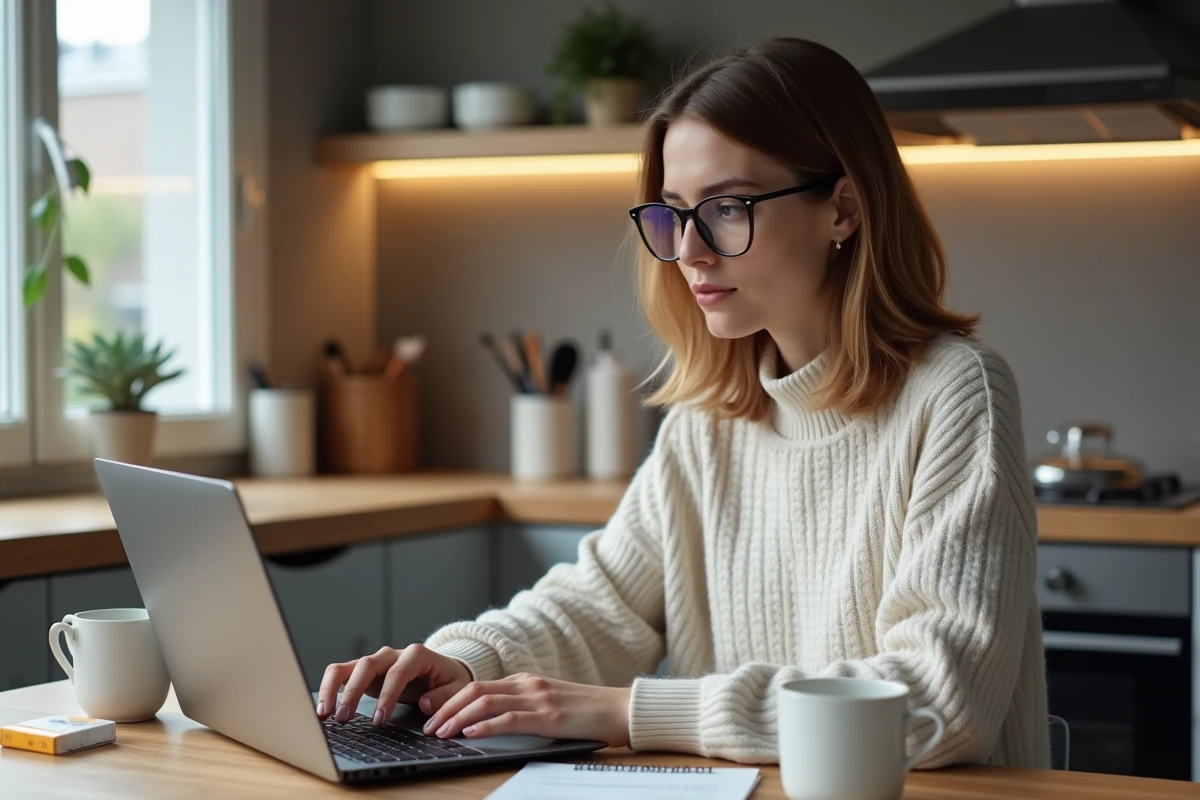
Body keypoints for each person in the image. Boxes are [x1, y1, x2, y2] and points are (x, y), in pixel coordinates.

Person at [315, 36, 1049, 768]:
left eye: (727, 208)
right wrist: (466, 662)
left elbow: (939, 700)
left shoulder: (956, 394)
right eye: (673, 213)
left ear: (844, 209)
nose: (690, 251)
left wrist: (624, 711)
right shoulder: (712, 416)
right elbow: (602, 603)